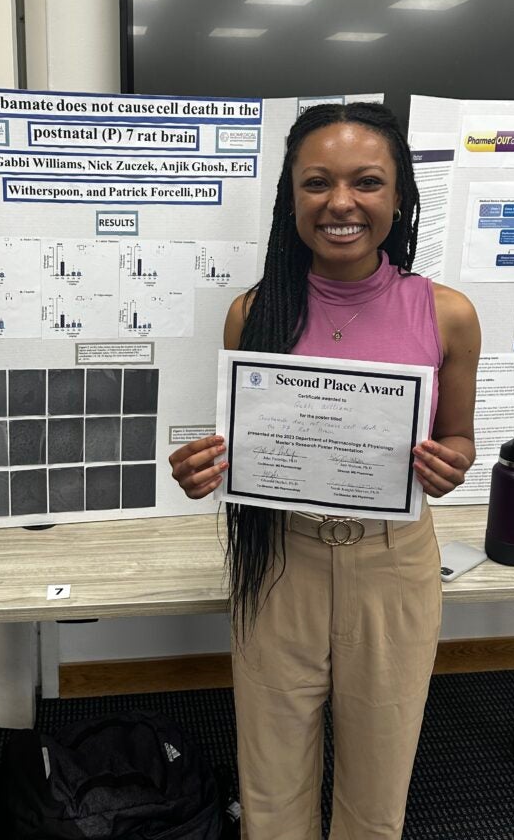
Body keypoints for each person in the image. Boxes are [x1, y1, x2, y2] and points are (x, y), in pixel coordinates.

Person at [169, 103, 481, 840]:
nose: (341, 203)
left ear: (399, 196)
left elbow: (461, 438)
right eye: (318, 183)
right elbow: (245, 443)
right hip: (281, 560)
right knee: (271, 780)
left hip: (393, 565)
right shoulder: (255, 312)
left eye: (367, 182)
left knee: (378, 782)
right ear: (292, 197)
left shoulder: (447, 314)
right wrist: (204, 468)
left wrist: (452, 464)